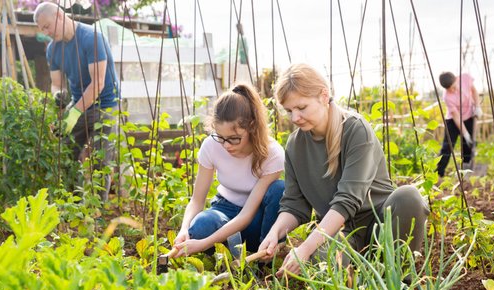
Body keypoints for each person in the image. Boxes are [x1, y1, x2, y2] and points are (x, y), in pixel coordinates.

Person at [257, 63, 429, 276]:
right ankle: (366, 273)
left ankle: (398, 276)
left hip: (382, 227)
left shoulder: (356, 130)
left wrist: (306, 247)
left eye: (301, 108)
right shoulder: (295, 145)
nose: (295, 118)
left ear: (323, 95)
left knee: (408, 196)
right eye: (289, 111)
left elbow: (347, 200)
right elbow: (294, 205)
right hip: (343, 233)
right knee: (318, 264)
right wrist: (275, 233)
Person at [172, 83, 285, 257]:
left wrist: (204, 244)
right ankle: (231, 251)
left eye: (234, 139)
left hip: (255, 218)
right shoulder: (211, 145)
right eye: (221, 137)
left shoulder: (273, 153)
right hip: (224, 209)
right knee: (202, 224)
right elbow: (197, 200)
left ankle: (264, 254)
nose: (226, 145)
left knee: (279, 189)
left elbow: (246, 215)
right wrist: (184, 229)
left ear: (252, 127)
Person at [34, 2, 118, 200]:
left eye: (47, 26)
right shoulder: (52, 50)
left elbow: (97, 84)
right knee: (65, 153)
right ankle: (73, 204)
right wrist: (58, 94)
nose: (46, 32)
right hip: (78, 105)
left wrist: (73, 113)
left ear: (60, 15)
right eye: (42, 29)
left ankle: (98, 210)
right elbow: (56, 83)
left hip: (104, 106)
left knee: (100, 162)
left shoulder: (91, 38)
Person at [436, 72, 482, 177]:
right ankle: (439, 173)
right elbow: (456, 116)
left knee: (467, 146)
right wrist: (465, 134)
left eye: (453, 87)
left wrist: (478, 106)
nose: (452, 90)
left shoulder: (465, 78)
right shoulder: (447, 97)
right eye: (449, 89)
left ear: (456, 79)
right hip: (453, 121)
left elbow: (474, 91)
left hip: (468, 116)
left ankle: (466, 171)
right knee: (447, 147)